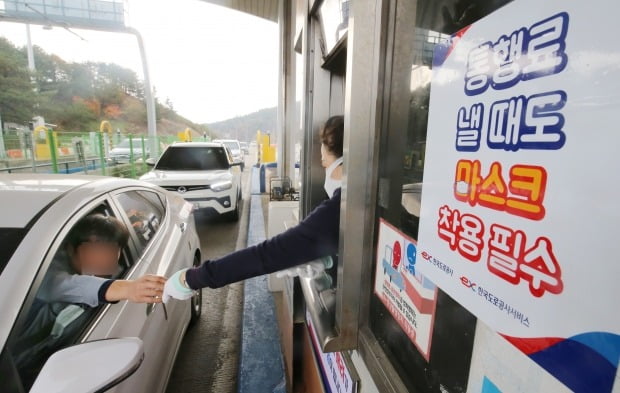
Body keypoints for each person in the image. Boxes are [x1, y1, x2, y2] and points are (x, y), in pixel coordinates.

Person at [163, 115, 345, 302]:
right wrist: (328, 259)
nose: (326, 173)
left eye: (325, 164)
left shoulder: (341, 205)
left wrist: (191, 278)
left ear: (344, 163)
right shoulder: (352, 201)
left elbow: (267, 255)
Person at [37, 214, 166, 307]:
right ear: (71, 249)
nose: (103, 259)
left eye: (111, 250)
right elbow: (63, 285)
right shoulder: (47, 271)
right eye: (94, 250)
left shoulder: (121, 270)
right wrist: (127, 288)